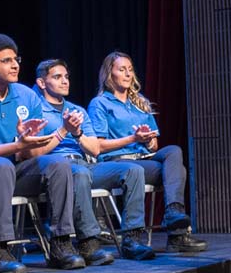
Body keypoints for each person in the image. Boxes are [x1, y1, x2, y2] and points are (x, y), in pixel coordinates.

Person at [0, 33, 85, 273]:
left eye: (16, 59)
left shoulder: (26, 95)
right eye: (7, 60)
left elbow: (35, 153)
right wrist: (17, 145)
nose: (15, 65)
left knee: (57, 163)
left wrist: (35, 142)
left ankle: (61, 243)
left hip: (17, 170)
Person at [87, 51, 207, 254]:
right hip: (117, 163)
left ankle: (172, 212)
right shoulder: (100, 103)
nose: (127, 74)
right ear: (109, 74)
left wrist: (148, 139)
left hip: (144, 159)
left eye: (130, 70)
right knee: (179, 172)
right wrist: (133, 139)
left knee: (173, 151)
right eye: (121, 69)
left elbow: (155, 147)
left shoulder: (140, 102)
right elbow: (99, 146)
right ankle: (176, 236)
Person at [34, 58, 152, 262]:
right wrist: (63, 131)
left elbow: (95, 149)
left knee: (133, 170)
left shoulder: (77, 110)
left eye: (66, 77)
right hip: (54, 168)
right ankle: (88, 242)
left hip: (85, 164)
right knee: (78, 173)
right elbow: (37, 151)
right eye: (57, 77)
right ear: (42, 83)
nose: (65, 81)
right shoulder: (36, 109)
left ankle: (132, 239)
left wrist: (77, 133)